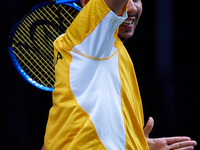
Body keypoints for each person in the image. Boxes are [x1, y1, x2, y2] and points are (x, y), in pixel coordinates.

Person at [43, 0, 197, 149]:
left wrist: (135, 145)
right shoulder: (85, 35)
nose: (131, 8)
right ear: (86, 2)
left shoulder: (112, 51)